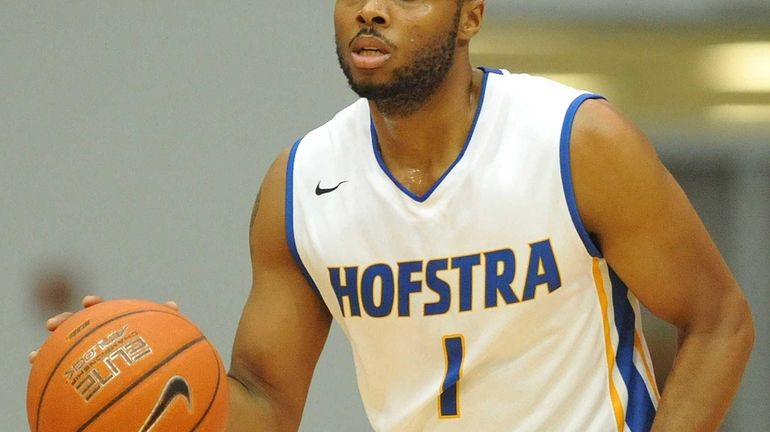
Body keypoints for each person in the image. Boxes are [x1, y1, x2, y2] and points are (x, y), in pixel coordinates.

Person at [31, 1, 754, 431]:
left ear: (471, 14)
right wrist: (144, 375)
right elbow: (265, 402)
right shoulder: (302, 181)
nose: (371, 9)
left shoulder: (576, 141)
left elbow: (720, 321)